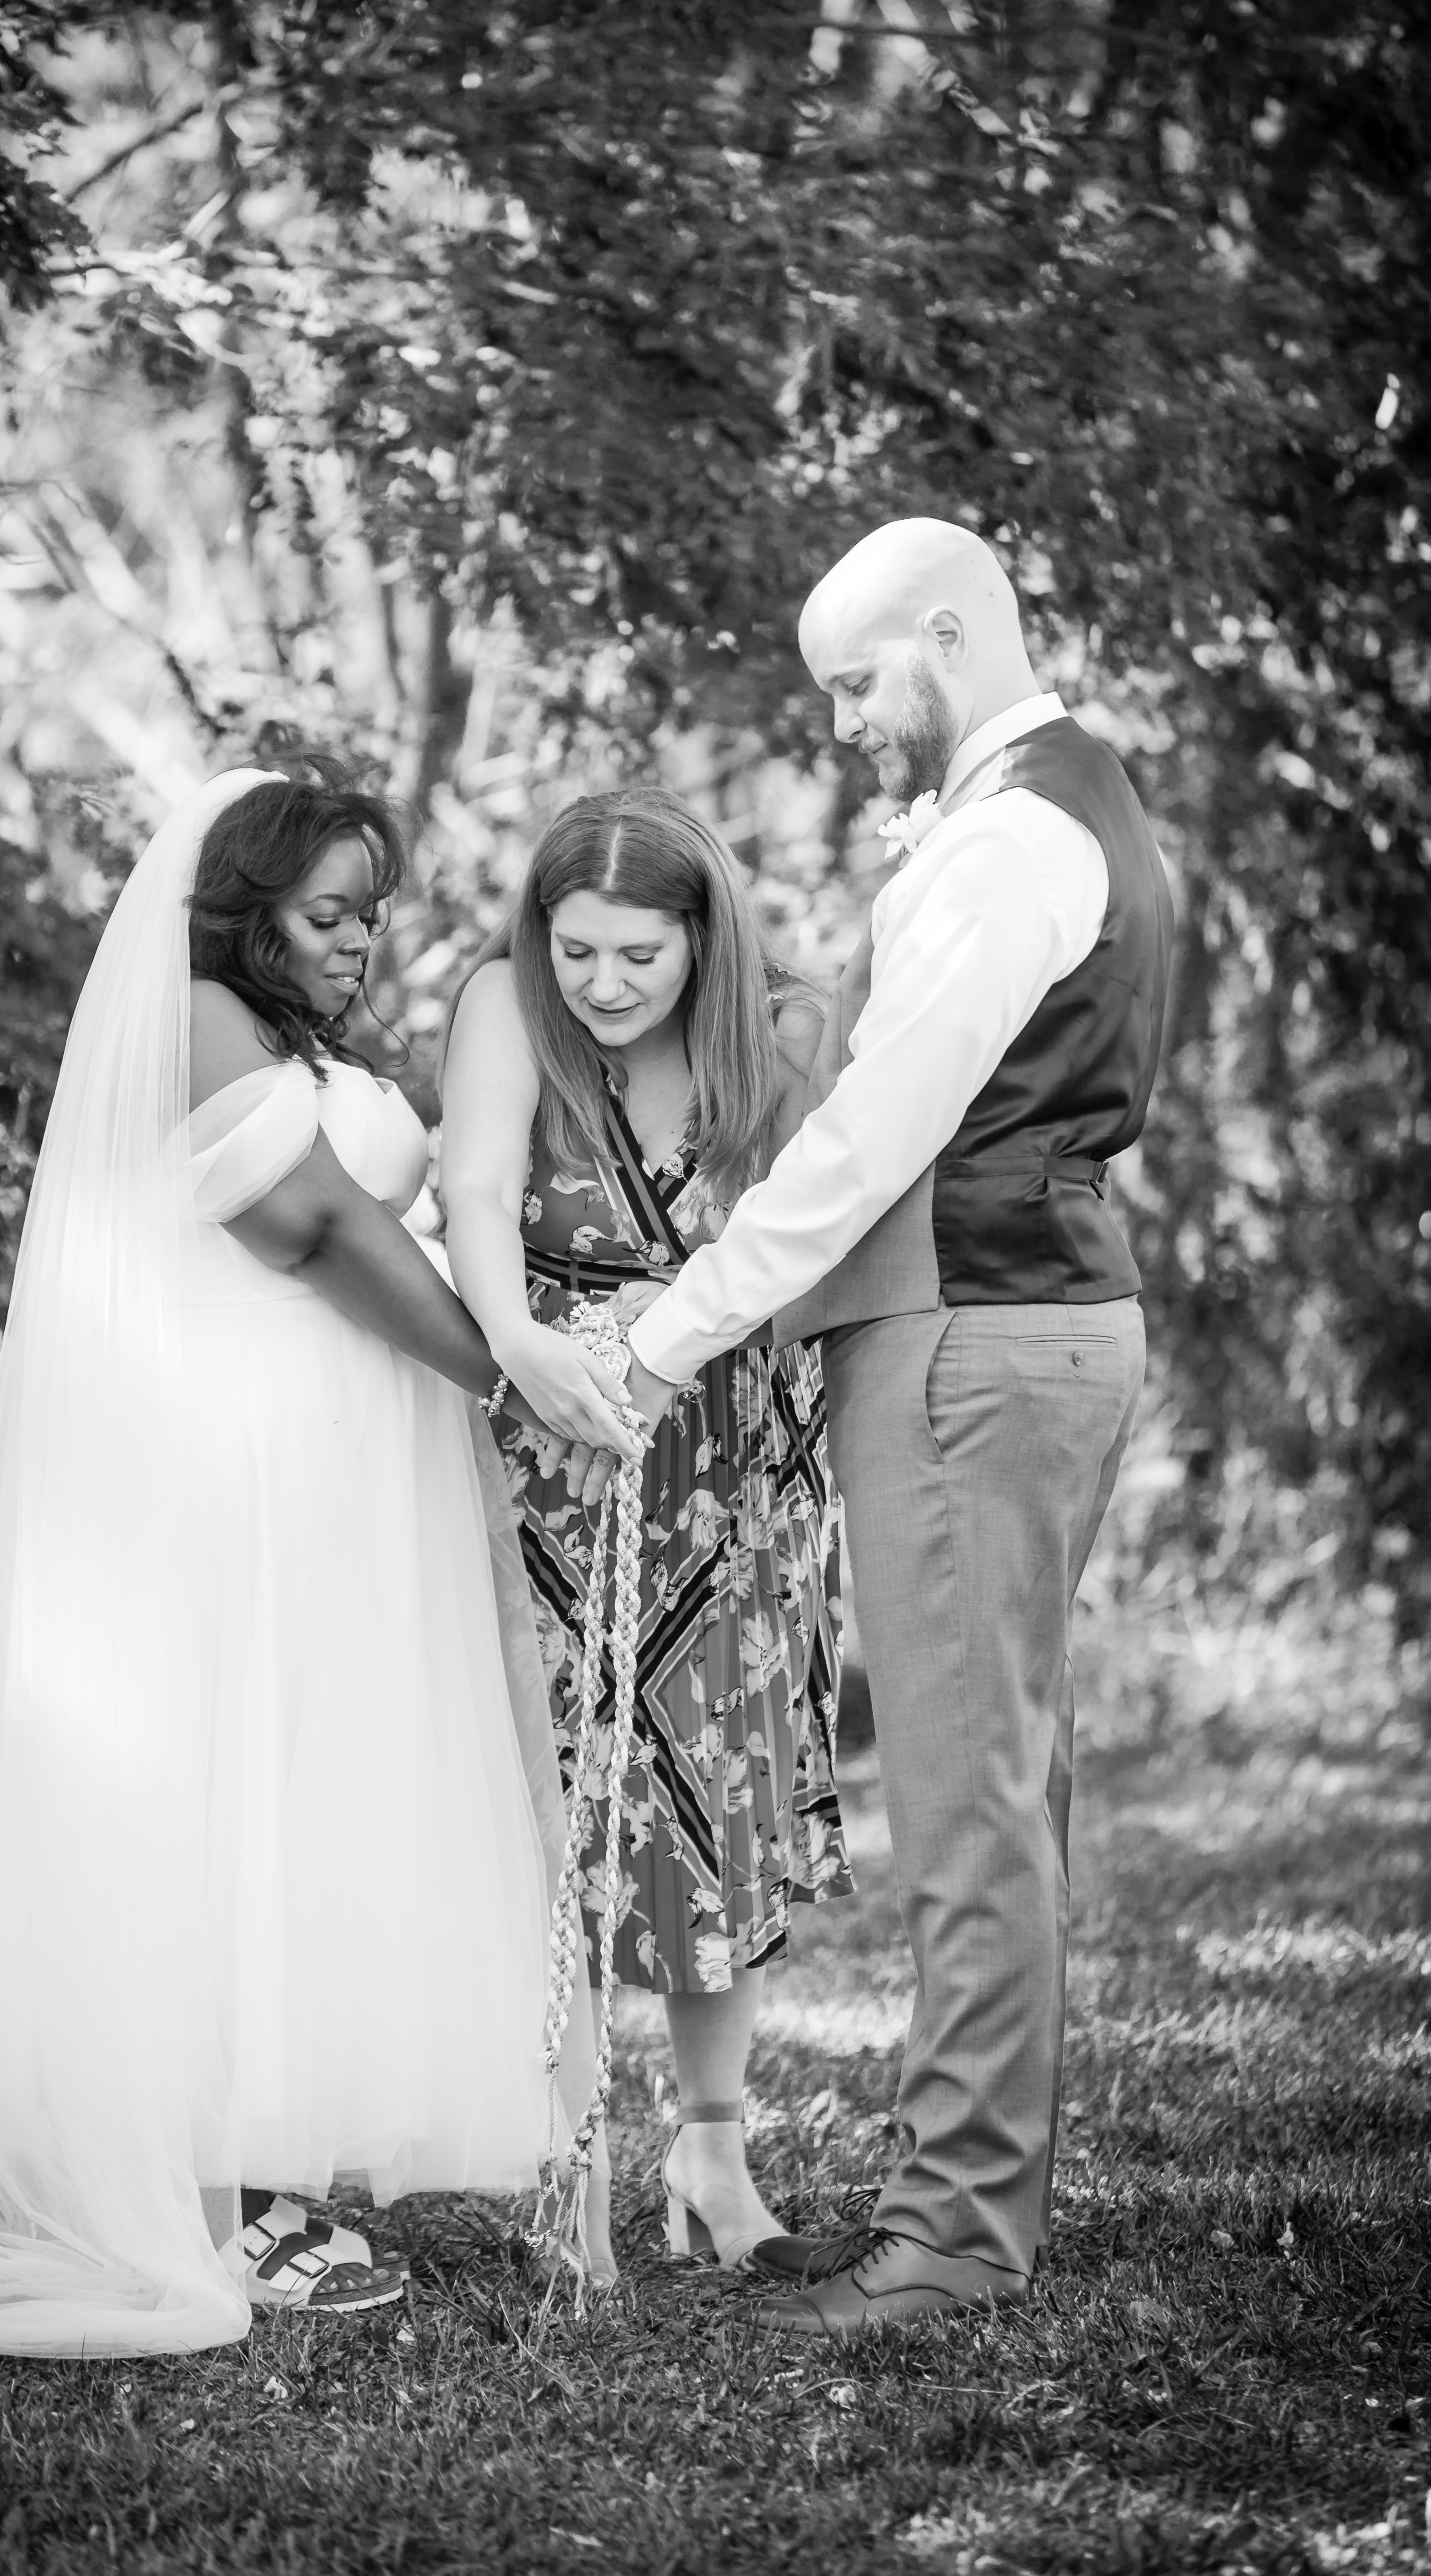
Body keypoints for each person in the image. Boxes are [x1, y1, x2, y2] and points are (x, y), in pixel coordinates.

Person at [0, 764, 631, 2369]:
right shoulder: (197, 1014)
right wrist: (513, 1373)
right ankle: (210, 2202)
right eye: (329, 913)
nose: (361, 939)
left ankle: (261, 2163)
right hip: (236, 1479)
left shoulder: (303, 1042)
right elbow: (320, 1228)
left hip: (339, 1477)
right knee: (228, 1804)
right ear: (243, 908)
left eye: (371, 913)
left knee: (300, 1799)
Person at [617, 521, 1175, 2337]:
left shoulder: (1007, 838)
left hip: (967, 1341)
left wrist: (669, 1336)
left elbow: (876, 1133)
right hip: (1026, 1321)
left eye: (857, 683)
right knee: (1000, 1785)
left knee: (965, 1804)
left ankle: (949, 2239)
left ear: (949, 633)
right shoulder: (1074, 806)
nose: (847, 723)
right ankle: (968, 2202)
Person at [440, 787, 854, 2281]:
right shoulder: (506, 1006)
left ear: (704, 938)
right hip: (558, 1447)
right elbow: (477, 1185)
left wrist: (680, 1329)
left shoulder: (788, 1032)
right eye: (578, 951)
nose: (602, 984)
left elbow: (826, 1237)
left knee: (709, 1797)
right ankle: (569, 2157)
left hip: (731, 1466)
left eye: (639, 955)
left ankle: (712, 2154)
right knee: (557, 1799)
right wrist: (520, 1337)